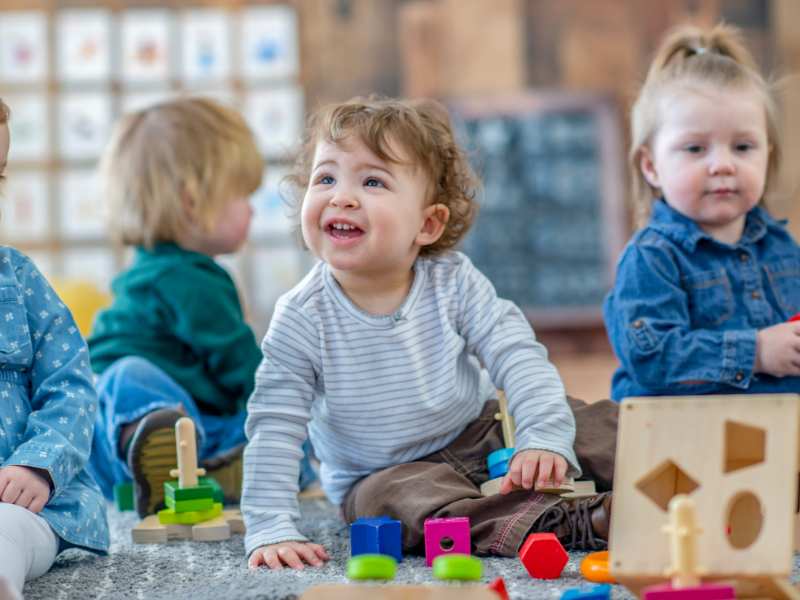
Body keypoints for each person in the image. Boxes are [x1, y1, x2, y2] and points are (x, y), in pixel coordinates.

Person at [243, 96, 617, 570]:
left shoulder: (453, 280)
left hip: (484, 431)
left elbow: (518, 356)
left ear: (427, 223)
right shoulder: (300, 316)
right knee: (389, 507)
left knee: (601, 423)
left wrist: (542, 438)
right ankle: (578, 521)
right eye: (326, 178)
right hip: (384, 475)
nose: (341, 196)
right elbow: (274, 426)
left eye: (373, 181)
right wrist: (270, 526)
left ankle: (673, 478)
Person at [86, 97, 316, 518]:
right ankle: (162, 451)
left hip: (125, 448)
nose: (250, 209)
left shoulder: (148, 269)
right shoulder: (194, 280)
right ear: (192, 201)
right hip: (133, 431)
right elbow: (245, 367)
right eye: (242, 196)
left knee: (270, 440)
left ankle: (203, 473)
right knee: (131, 376)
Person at [603, 23, 800, 401]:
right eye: (695, 149)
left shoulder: (782, 246)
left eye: (743, 147)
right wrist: (756, 352)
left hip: (777, 433)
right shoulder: (652, 258)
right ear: (651, 165)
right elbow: (650, 357)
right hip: (677, 441)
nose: (722, 165)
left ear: (767, 154)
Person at [0, 99, 109, 599]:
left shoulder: (18, 279)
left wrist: (39, 463)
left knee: (8, 533)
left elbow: (71, 384)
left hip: (23, 500)